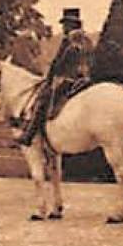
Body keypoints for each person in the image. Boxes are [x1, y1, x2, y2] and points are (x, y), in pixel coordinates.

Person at [16, 8, 95, 146]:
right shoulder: (87, 40)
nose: (63, 27)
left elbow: (59, 63)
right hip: (86, 79)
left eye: (65, 24)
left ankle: (29, 135)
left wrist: (50, 77)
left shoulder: (69, 40)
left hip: (68, 79)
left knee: (42, 99)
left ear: (71, 24)